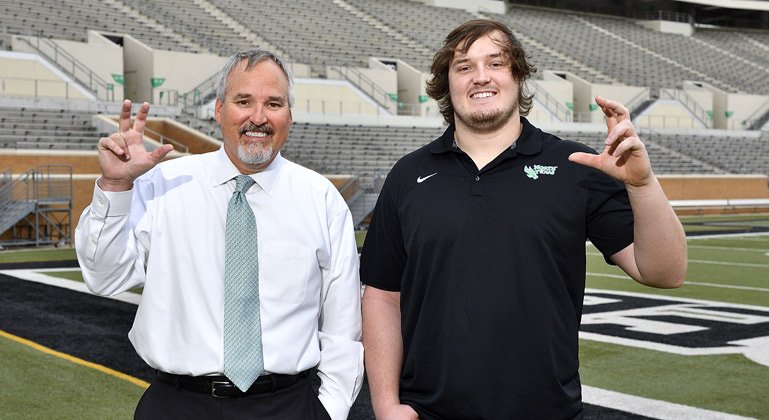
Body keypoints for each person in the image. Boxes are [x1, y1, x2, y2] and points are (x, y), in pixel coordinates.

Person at [359, 19, 687, 419]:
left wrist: (643, 184)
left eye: (496, 63)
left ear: (518, 75)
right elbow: (381, 296)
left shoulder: (575, 166)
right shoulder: (408, 175)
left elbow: (665, 271)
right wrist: (386, 405)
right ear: (447, 83)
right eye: (464, 67)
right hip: (429, 411)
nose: (481, 77)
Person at [75, 49, 363, 420]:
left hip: (288, 406)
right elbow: (103, 277)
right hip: (177, 405)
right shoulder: (161, 185)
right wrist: (115, 185)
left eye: (273, 103)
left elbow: (343, 325)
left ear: (289, 115)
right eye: (244, 101)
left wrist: (330, 411)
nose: (258, 117)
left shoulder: (321, 199)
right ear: (219, 110)